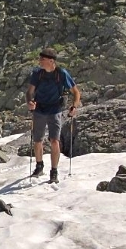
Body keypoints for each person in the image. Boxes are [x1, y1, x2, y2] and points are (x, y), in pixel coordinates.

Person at [26, 47, 81, 183]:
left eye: (42, 59)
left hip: (55, 110)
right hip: (39, 109)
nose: (40, 61)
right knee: (38, 140)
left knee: (54, 140)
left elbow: (76, 92)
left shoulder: (61, 74)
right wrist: (29, 102)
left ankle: (54, 171)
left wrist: (74, 106)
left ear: (51, 61)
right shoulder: (37, 73)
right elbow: (29, 92)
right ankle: (39, 166)